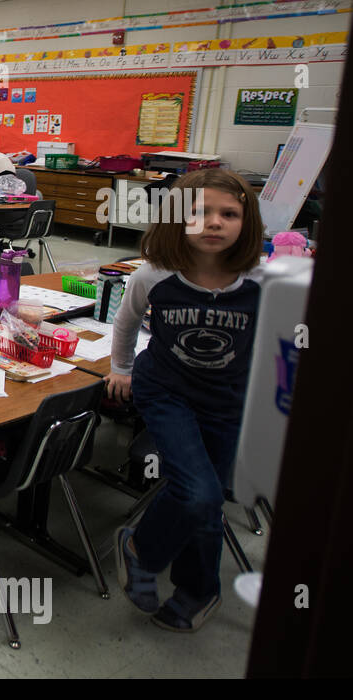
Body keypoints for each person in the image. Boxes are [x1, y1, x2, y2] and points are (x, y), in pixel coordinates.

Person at [104, 169, 264, 633]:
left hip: (227, 397)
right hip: (167, 390)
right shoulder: (153, 274)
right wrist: (121, 369)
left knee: (206, 500)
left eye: (229, 214)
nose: (214, 223)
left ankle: (198, 588)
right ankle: (142, 551)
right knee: (200, 492)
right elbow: (126, 321)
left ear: (246, 221)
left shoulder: (259, 279)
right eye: (199, 213)